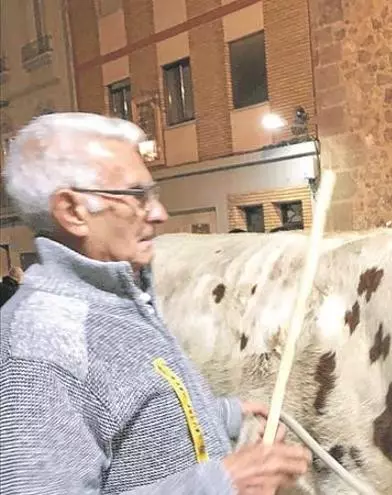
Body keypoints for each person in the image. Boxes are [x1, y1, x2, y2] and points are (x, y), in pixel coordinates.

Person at [0, 113, 312, 491]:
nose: (160, 213)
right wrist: (221, 483)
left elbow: (129, 421)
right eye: (136, 196)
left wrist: (222, 415)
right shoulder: (42, 345)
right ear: (72, 211)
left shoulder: (114, 300)